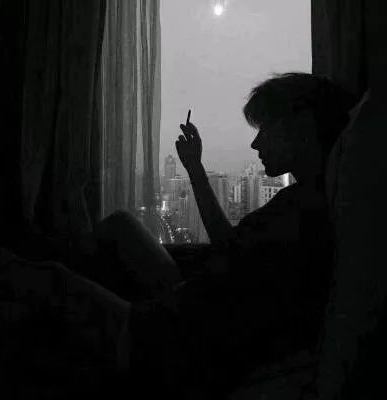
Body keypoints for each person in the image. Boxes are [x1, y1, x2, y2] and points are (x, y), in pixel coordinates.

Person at [75, 72, 357, 399]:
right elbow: (232, 251)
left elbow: (234, 287)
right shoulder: (307, 201)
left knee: (48, 278)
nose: (255, 143)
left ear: (302, 127)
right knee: (122, 226)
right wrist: (194, 167)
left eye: (265, 128)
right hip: (194, 307)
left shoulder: (301, 211)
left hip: (179, 336)